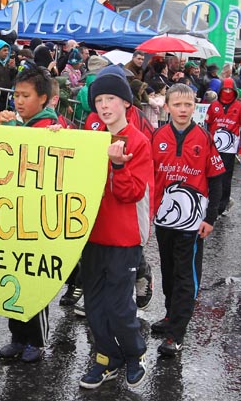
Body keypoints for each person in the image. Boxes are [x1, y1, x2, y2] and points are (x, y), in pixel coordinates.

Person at [78, 70, 152, 390]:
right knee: (94, 304)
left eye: (110, 99)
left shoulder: (138, 141)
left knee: (120, 305)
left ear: (125, 102)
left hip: (124, 237)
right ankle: (106, 357)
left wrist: (119, 166)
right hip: (91, 233)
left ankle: (134, 354)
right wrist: (54, 135)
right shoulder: (90, 133)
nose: (104, 106)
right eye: (98, 100)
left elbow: (132, 193)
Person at [150, 83, 224, 356]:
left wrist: (210, 217)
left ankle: (176, 333)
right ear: (167, 107)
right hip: (163, 220)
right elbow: (149, 177)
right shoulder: (157, 135)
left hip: (192, 224)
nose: (183, 110)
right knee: (168, 272)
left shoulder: (204, 138)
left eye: (188, 104)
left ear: (195, 107)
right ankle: (171, 314)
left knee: (185, 275)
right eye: (177, 105)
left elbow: (216, 180)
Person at [0, 66, 62, 363]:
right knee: (13, 277)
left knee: (33, 280)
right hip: (12, 214)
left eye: (26, 96)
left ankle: (36, 339)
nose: (19, 101)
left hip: (36, 217)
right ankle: (17, 336)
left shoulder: (51, 128)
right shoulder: (20, 124)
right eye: (16, 95)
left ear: (44, 98)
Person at [205, 78, 241, 215]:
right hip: (213, 147)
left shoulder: (240, 107)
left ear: (234, 91)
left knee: (226, 178)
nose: (227, 92)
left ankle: (223, 204)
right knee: (212, 175)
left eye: (230, 90)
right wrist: (206, 143)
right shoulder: (213, 106)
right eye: (225, 89)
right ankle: (211, 201)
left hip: (230, 149)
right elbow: (207, 124)